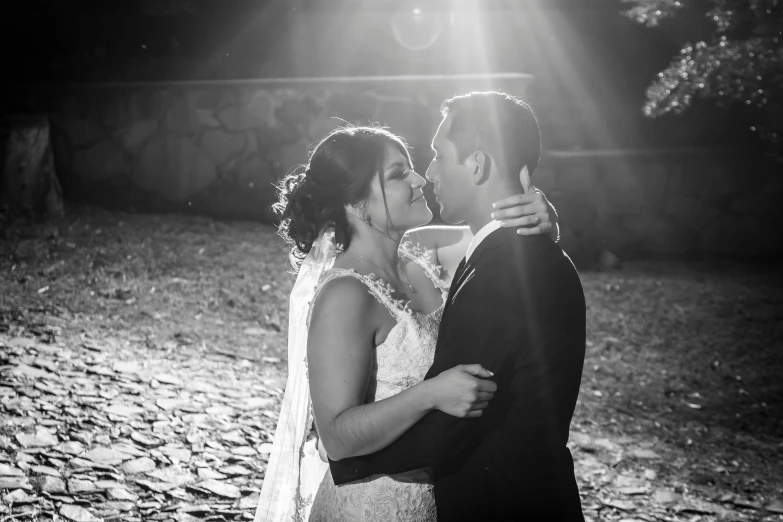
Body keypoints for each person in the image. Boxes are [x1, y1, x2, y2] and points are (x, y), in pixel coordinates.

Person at [255, 120, 559, 522]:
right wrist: (430, 394)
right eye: (398, 174)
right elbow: (336, 436)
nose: (420, 179)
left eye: (412, 167)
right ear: (355, 202)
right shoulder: (345, 295)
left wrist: (544, 216)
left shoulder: (422, 252)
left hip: (447, 495)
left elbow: (502, 240)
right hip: (375, 505)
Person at [328, 92, 586, 521]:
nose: (426, 175)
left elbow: (456, 419)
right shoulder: (491, 253)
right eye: (401, 173)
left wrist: (345, 454)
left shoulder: (505, 273)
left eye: (436, 156)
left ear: (478, 164)